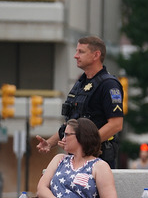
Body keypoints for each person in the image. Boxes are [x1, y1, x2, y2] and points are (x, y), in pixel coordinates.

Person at [35, 36, 124, 168]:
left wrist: (85, 145)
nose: (76, 56)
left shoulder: (109, 84)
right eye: (76, 51)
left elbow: (116, 125)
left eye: (81, 52)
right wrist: (49, 143)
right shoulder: (80, 84)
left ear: (96, 55)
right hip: (75, 160)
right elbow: (71, 122)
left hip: (99, 160)